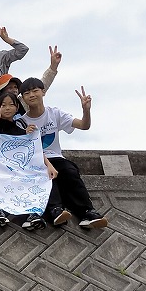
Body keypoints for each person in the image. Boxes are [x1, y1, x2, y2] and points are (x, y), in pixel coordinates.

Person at [17, 77, 108, 230]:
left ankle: (87, 212)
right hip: (35, 160)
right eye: (26, 93)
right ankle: (55, 210)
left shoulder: (55, 113)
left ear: (43, 92)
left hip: (56, 158)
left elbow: (84, 126)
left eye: (35, 91)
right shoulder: (21, 122)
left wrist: (86, 110)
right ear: (23, 98)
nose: (31, 95)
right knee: (45, 174)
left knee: (70, 171)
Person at [0, 89, 55, 230]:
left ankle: (32, 214)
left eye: (11, 105)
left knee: (35, 179)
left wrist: (49, 165)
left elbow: (34, 149)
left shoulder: (21, 130)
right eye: (3, 105)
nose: (7, 108)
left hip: (16, 170)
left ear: (17, 107)